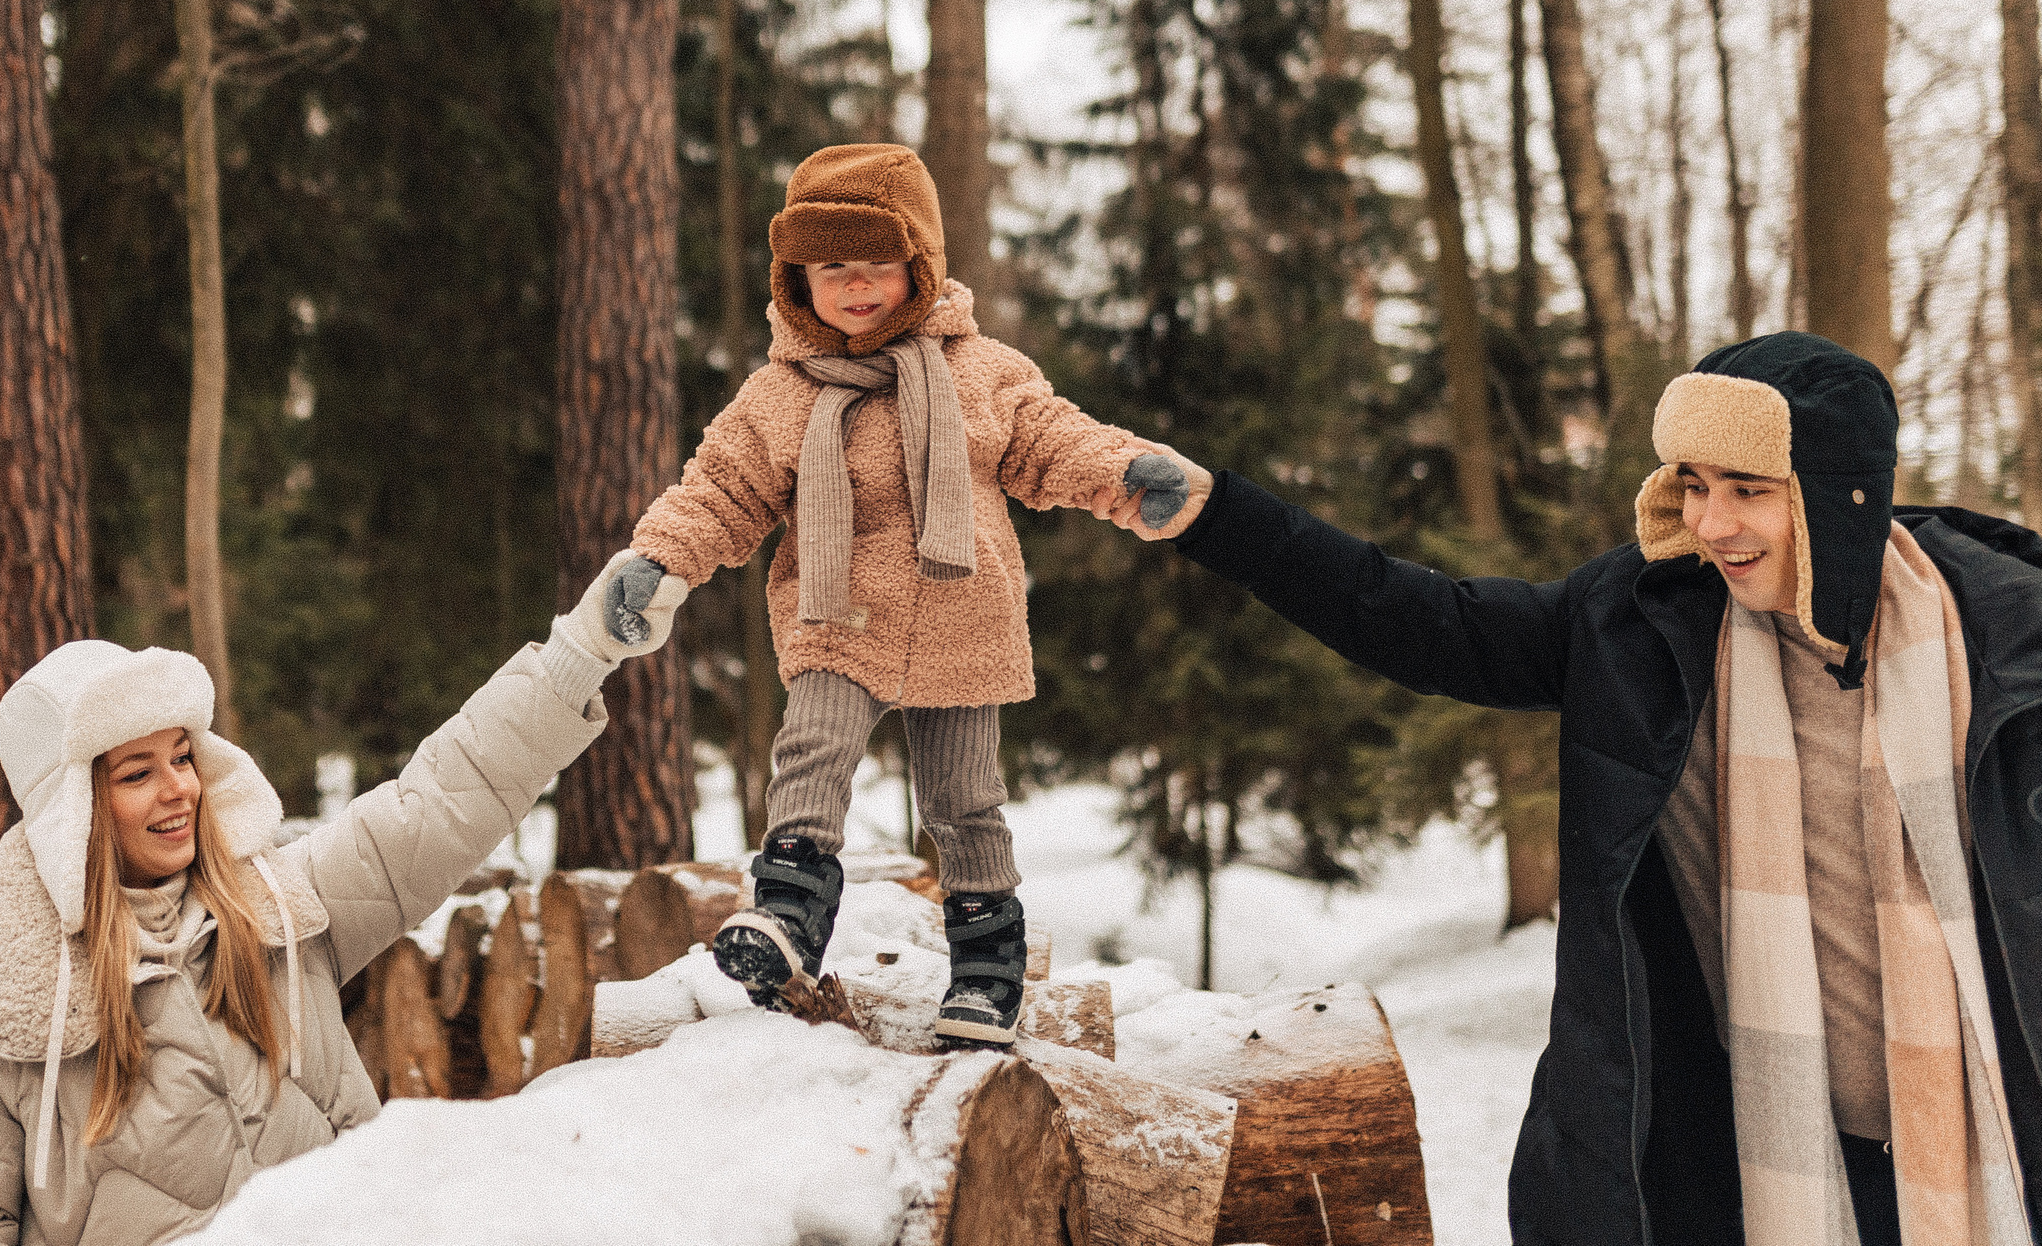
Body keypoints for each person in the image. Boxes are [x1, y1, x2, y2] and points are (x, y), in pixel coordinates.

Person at [1117, 332, 2042, 1246]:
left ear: (1837, 495)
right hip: (1754, 1159)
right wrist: (1218, 514)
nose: (1711, 523)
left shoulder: (2006, 637)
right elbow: (1424, 623)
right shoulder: (1642, 622)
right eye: (1694, 484)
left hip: (1997, 1142)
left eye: (1748, 489)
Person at [0, 549, 689, 1246]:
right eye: (137, 772)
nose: (178, 788)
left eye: (182, 756)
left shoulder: (280, 909)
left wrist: (582, 650)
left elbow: (439, 802)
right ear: (74, 817)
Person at [615, 142, 1188, 1045]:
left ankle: (987, 970)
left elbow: (1054, 442)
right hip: (839, 611)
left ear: (920, 265)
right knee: (812, 751)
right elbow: (720, 490)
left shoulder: (980, 370)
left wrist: (1126, 469)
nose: (856, 285)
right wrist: (659, 560)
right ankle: (788, 914)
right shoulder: (780, 395)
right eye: (831, 268)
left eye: (878, 264)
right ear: (796, 280)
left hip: (965, 613)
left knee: (964, 800)